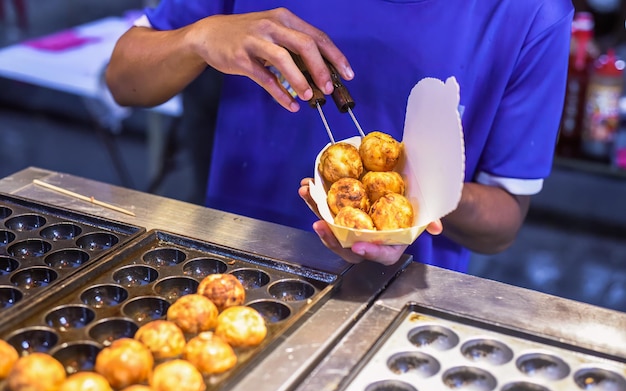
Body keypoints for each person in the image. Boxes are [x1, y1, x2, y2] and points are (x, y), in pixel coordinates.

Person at [105, 2, 574, 272]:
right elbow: (123, 80)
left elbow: (504, 220)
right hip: (233, 260)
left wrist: (430, 196)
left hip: (405, 300)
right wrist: (199, 38)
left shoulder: (530, 13)